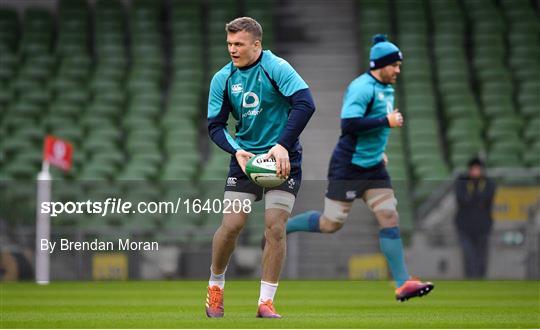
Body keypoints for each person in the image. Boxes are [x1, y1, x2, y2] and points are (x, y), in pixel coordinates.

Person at [264, 34, 434, 301]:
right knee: (331, 224)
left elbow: (372, 131)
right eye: (395, 65)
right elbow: (350, 125)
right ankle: (286, 227)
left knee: (390, 216)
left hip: (374, 167)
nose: (398, 70)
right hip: (348, 167)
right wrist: (385, 120)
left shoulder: (386, 87)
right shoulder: (362, 87)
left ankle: (403, 283)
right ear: (381, 64)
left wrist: (379, 152)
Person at [205, 17, 315, 318]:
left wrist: (281, 144)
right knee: (232, 226)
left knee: (275, 229)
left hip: (282, 161)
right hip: (245, 160)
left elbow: (305, 103)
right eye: (229, 44)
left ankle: (265, 302)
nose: (232, 49)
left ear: (257, 44)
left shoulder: (276, 67)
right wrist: (237, 150)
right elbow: (215, 126)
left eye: (238, 44)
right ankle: (216, 286)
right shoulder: (222, 79)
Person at [454, 157, 496, 279]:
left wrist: (472, 199)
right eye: (473, 169)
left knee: (482, 255)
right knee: (469, 255)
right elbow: (462, 199)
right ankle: (470, 278)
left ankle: (481, 278)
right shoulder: (462, 182)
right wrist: (476, 200)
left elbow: (485, 200)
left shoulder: (488, 183)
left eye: (478, 169)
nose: (475, 172)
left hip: (483, 226)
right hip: (464, 227)